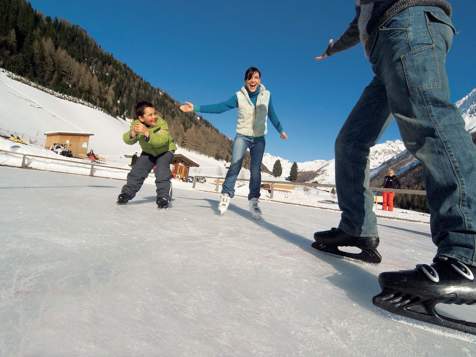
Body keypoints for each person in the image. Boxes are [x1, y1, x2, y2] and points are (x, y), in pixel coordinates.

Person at [312, 1, 476, 334]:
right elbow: (354, 29)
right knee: (350, 142)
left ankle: (467, 253)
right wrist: (332, 50)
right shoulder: (363, 8)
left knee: (428, 120)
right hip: (386, 50)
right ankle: (357, 227)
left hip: (409, 22)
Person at [179, 67, 288, 218]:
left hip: (259, 138)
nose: (253, 81)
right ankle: (226, 195)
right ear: (245, 81)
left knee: (255, 170)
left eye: (256, 77)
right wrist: (195, 108)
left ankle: (254, 202)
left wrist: (280, 130)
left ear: (260, 80)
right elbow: (220, 107)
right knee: (235, 164)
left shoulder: (266, 96)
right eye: (250, 78)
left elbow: (272, 115)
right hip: (242, 136)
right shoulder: (239, 96)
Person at [117, 101, 176, 209]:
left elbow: (162, 141)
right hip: (149, 152)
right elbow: (128, 140)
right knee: (137, 171)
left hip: (165, 150)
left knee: (161, 170)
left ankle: (163, 197)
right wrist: (132, 134)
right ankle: (127, 193)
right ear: (141, 118)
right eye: (150, 115)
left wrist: (147, 133)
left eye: (154, 113)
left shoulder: (161, 123)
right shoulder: (136, 124)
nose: (154, 117)